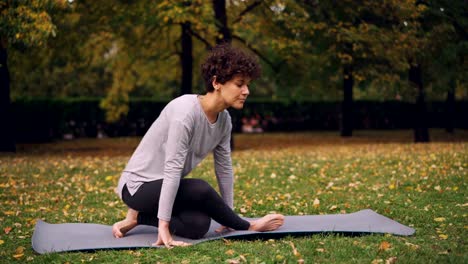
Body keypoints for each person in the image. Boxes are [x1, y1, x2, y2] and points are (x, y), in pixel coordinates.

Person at [112, 44, 285, 248]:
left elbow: (224, 168)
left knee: (198, 226)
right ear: (217, 82)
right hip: (137, 188)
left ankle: (139, 218)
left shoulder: (224, 120)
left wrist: (226, 217)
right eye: (240, 84)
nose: (246, 91)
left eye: (247, 85)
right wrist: (164, 228)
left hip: (166, 187)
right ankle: (249, 225)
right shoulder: (185, 111)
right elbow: (173, 168)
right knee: (200, 188)